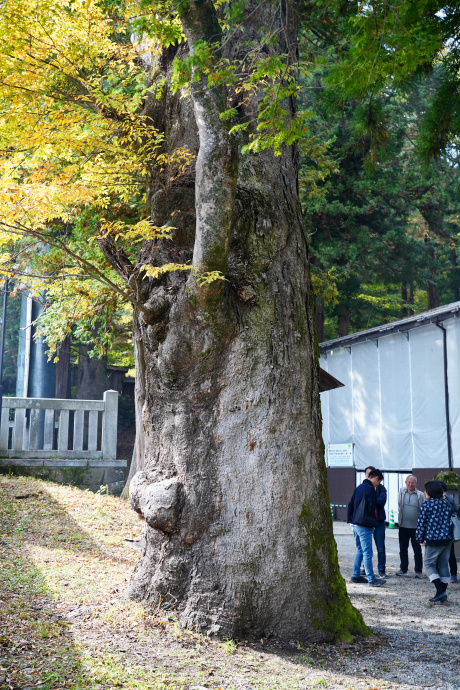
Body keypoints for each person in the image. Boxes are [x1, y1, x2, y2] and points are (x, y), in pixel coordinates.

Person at [416, 480, 456, 603]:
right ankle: (442, 593)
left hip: (433, 539)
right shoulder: (446, 504)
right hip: (447, 539)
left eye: (426, 490)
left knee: (429, 564)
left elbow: (421, 523)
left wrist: (419, 538)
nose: (424, 492)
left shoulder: (427, 504)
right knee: (444, 565)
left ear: (430, 492)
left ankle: (440, 592)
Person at [347, 469, 385, 587]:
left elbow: (350, 504)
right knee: (367, 552)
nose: (377, 485)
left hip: (355, 524)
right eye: (378, 482)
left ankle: (355, 574)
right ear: (376, 478)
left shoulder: (358, 487)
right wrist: (373, 522)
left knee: (360, 550)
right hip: (364, 524)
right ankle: (371, 579)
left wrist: (350, 520)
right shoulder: (370, 489)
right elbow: (371, 506)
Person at [359, 466, 388, 578]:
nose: (369, 476)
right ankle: (364, 568)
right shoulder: (363, 487)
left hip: (379, 521)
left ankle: (381, 569)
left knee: (380, 546)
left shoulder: (381, 488)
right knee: (365, 546)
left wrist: (371, 502)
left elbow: (382, 501)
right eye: (367, 474)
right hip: (366, 521)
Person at [396, 474, 425, 578]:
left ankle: (418, 571)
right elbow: (400, 504)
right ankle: (403, 569)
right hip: (403, 526)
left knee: (417, 550)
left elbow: (423, 509)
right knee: (403, 549)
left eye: (412, 483)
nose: (410, 484)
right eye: (408, 482)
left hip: (416, 527)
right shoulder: (402, 491)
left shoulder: (420, 495)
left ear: (416, 484)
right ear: (405, 482)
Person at [440, 481, 459, 584]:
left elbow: (454, 511)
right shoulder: (432, 500)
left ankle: (453, 574)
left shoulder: (449, 499)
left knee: (451, 554)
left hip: (448, 530)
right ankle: (439, 574)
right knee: (438, 554)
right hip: (437, 531)